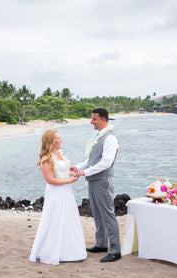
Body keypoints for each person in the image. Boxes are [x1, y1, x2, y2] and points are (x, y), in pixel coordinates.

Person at [29, 129, 87, 265]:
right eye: (58, 138)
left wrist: (71, 173)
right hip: (56, 193)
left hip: (67, 192)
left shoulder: (60, 154)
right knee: (55, 219)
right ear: (52, 141)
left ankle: (70, 250)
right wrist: (68, 181)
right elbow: (50, 179)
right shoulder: (46, 158)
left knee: (69, 218)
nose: (61, 140)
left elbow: (62, 171)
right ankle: (52, 251)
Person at [70, 108, 121, 263]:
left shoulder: (110, 139)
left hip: (103, 182)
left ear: (103, 119)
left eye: (94, 119)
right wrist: (78, 168)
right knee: (97, 214)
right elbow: (91, 160)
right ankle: (100, 244)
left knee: (107, 215)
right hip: (93, 181)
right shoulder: (99, 137)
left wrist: (85, 172)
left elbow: (105, 162)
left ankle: (115, 250)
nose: (91, 122)